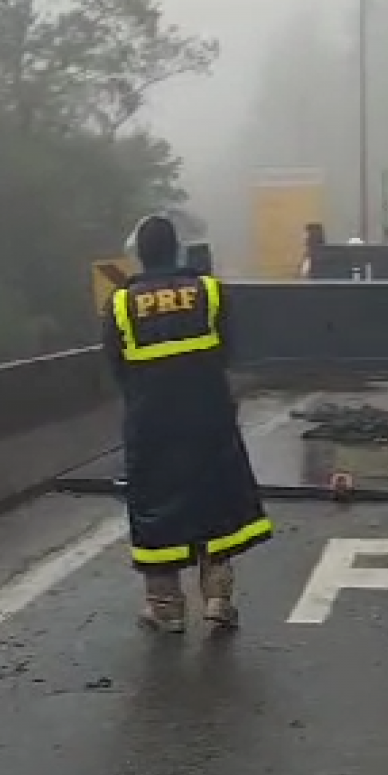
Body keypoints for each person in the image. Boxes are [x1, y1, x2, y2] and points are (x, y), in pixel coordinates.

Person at [100, 213, 272, 633]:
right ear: (177, 248)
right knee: (214, 500)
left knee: (155, 509)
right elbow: (228, 351)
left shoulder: (121, 302)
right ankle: (217, 598)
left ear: (140, 254)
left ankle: (166, 608)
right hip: (207, 415)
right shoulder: (209, 291)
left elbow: (115, 365)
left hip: (152, 423)